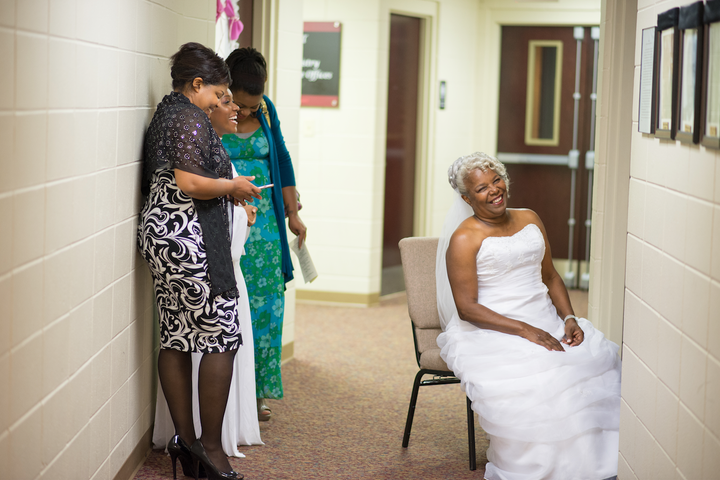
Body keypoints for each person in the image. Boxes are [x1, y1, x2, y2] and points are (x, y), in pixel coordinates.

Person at [436, 152, 621, 480]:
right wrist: (525, 330)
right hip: (491, 329)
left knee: (587, 363)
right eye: (482, 188)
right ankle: (543, 468)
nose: (495, 190)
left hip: (545, 318)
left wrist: (569, 319)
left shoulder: (530, 218)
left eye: (497, 180)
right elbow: (467, 308)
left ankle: (596, 462)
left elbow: (550, 277)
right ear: (466, 198)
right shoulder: (464, 238)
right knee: (542, 378)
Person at [138, 42, 261, 480]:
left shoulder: (166, 113)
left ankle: (187, 445)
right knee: (221, 338)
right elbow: (190, 182)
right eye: (218, 93)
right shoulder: (187, 117)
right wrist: (233, 188)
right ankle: (209, 449)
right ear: (196, 84)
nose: (220, 102)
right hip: (187, 240)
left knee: (176, 337)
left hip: (166, 237)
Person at [220, 47, 307, 421]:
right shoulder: (212, 111)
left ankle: (257, 393)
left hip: (265, 225)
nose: (248, 113)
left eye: (254, 107)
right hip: (225, 219)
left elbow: (282, 159)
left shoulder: (266, 109)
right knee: (229, 305)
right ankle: (225, 392)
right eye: (241, 105)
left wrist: (293, 213)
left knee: (265, 307)